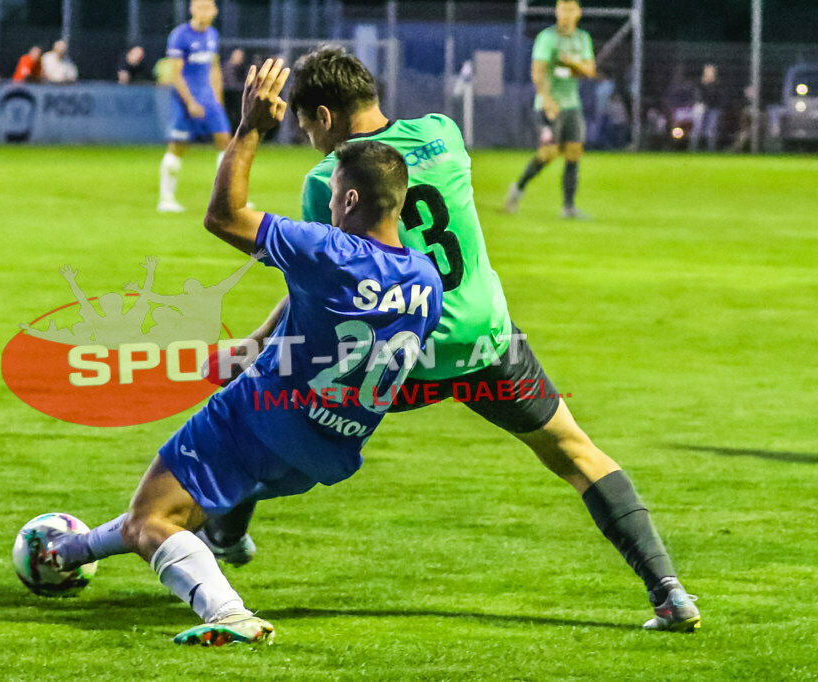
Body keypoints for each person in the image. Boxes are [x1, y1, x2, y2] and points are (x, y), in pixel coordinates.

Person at [201, 47, 701, 634]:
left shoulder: (328, 180)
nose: (309, 139)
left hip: (400, 358)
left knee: (260, 407)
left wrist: (260, 342)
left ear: (326, 116)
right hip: (484, 343)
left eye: (306, 126)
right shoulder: (443, 133)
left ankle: (226, 530)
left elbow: (330, 283)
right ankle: (669, 592)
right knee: (576, 453)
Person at [19, 58, 443, 647]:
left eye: (333, 196)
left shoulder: (328, 251)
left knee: (152, 520)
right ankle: (71, 550)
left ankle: (229, 612)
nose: (329, 207)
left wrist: (248, 128)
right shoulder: (426, 280)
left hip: (261, 418)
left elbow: (224, 215)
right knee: (175, 510)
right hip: (326, 451)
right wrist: (255, 346)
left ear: (348, 199)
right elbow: (322, 313)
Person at [504, 0, 595, 219]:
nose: (565, 14)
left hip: (572, 104)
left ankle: (569, 208)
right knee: (549, 153)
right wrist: (546, 100)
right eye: (562, 9)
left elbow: (589, 71)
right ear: (556, 11)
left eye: (570, 9)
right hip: (549, 104)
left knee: (574, 151)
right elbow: (538, 71)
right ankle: (517, 189)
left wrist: (571, 63)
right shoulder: (547, 38)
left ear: (578, 13)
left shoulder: (582, 38)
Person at [157, 0, 230, 214]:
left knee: (226, 144)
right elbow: (176, 74)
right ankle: (166, 199)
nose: (206, 12)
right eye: (201, 7)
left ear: (215, 11)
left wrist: (218, 99)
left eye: (209, 7)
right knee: (177, 146)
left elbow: (214, 67)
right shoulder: (180, 36)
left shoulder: (212, 35)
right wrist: (190, 102)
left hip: (209, 99)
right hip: (184, 100)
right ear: (193, 9)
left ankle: (225, 201)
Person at [690, 64, 722, 152]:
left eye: (712, 71)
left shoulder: (717, 84)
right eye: (708, 71)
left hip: (713, 108)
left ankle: (711, 150)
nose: (710, 73)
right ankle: (693, 149)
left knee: (712, 129)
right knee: (697, 129)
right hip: (701, 107)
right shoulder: (699, 83)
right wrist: (701, 103)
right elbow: (697, 95)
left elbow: (718, 97)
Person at [221, 48, 247, 129]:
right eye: (236, 54)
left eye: (240, 55)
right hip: (227, 95)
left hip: (238, 96)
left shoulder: (242, 68)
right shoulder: (225, 66)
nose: (238, 57)